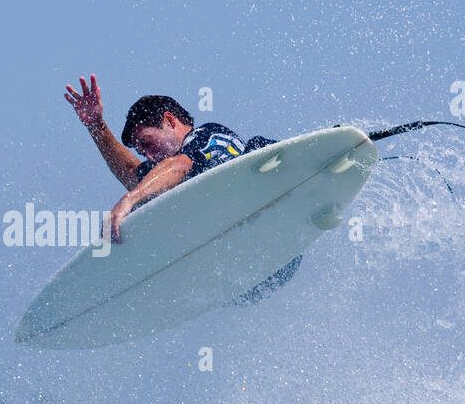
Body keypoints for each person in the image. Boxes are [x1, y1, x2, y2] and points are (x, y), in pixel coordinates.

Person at [63, 73, 300, 304]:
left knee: (258, 145)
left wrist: (129, 199)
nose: (147, 155)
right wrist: (95, 125)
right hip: (243, 279)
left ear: (169, 120)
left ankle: (298, 179)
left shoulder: (205, 135)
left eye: (147, 143)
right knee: (154, 207)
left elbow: (181, 164)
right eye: (141, 151)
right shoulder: (164, 171)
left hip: (278, 235)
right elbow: (131, 172)